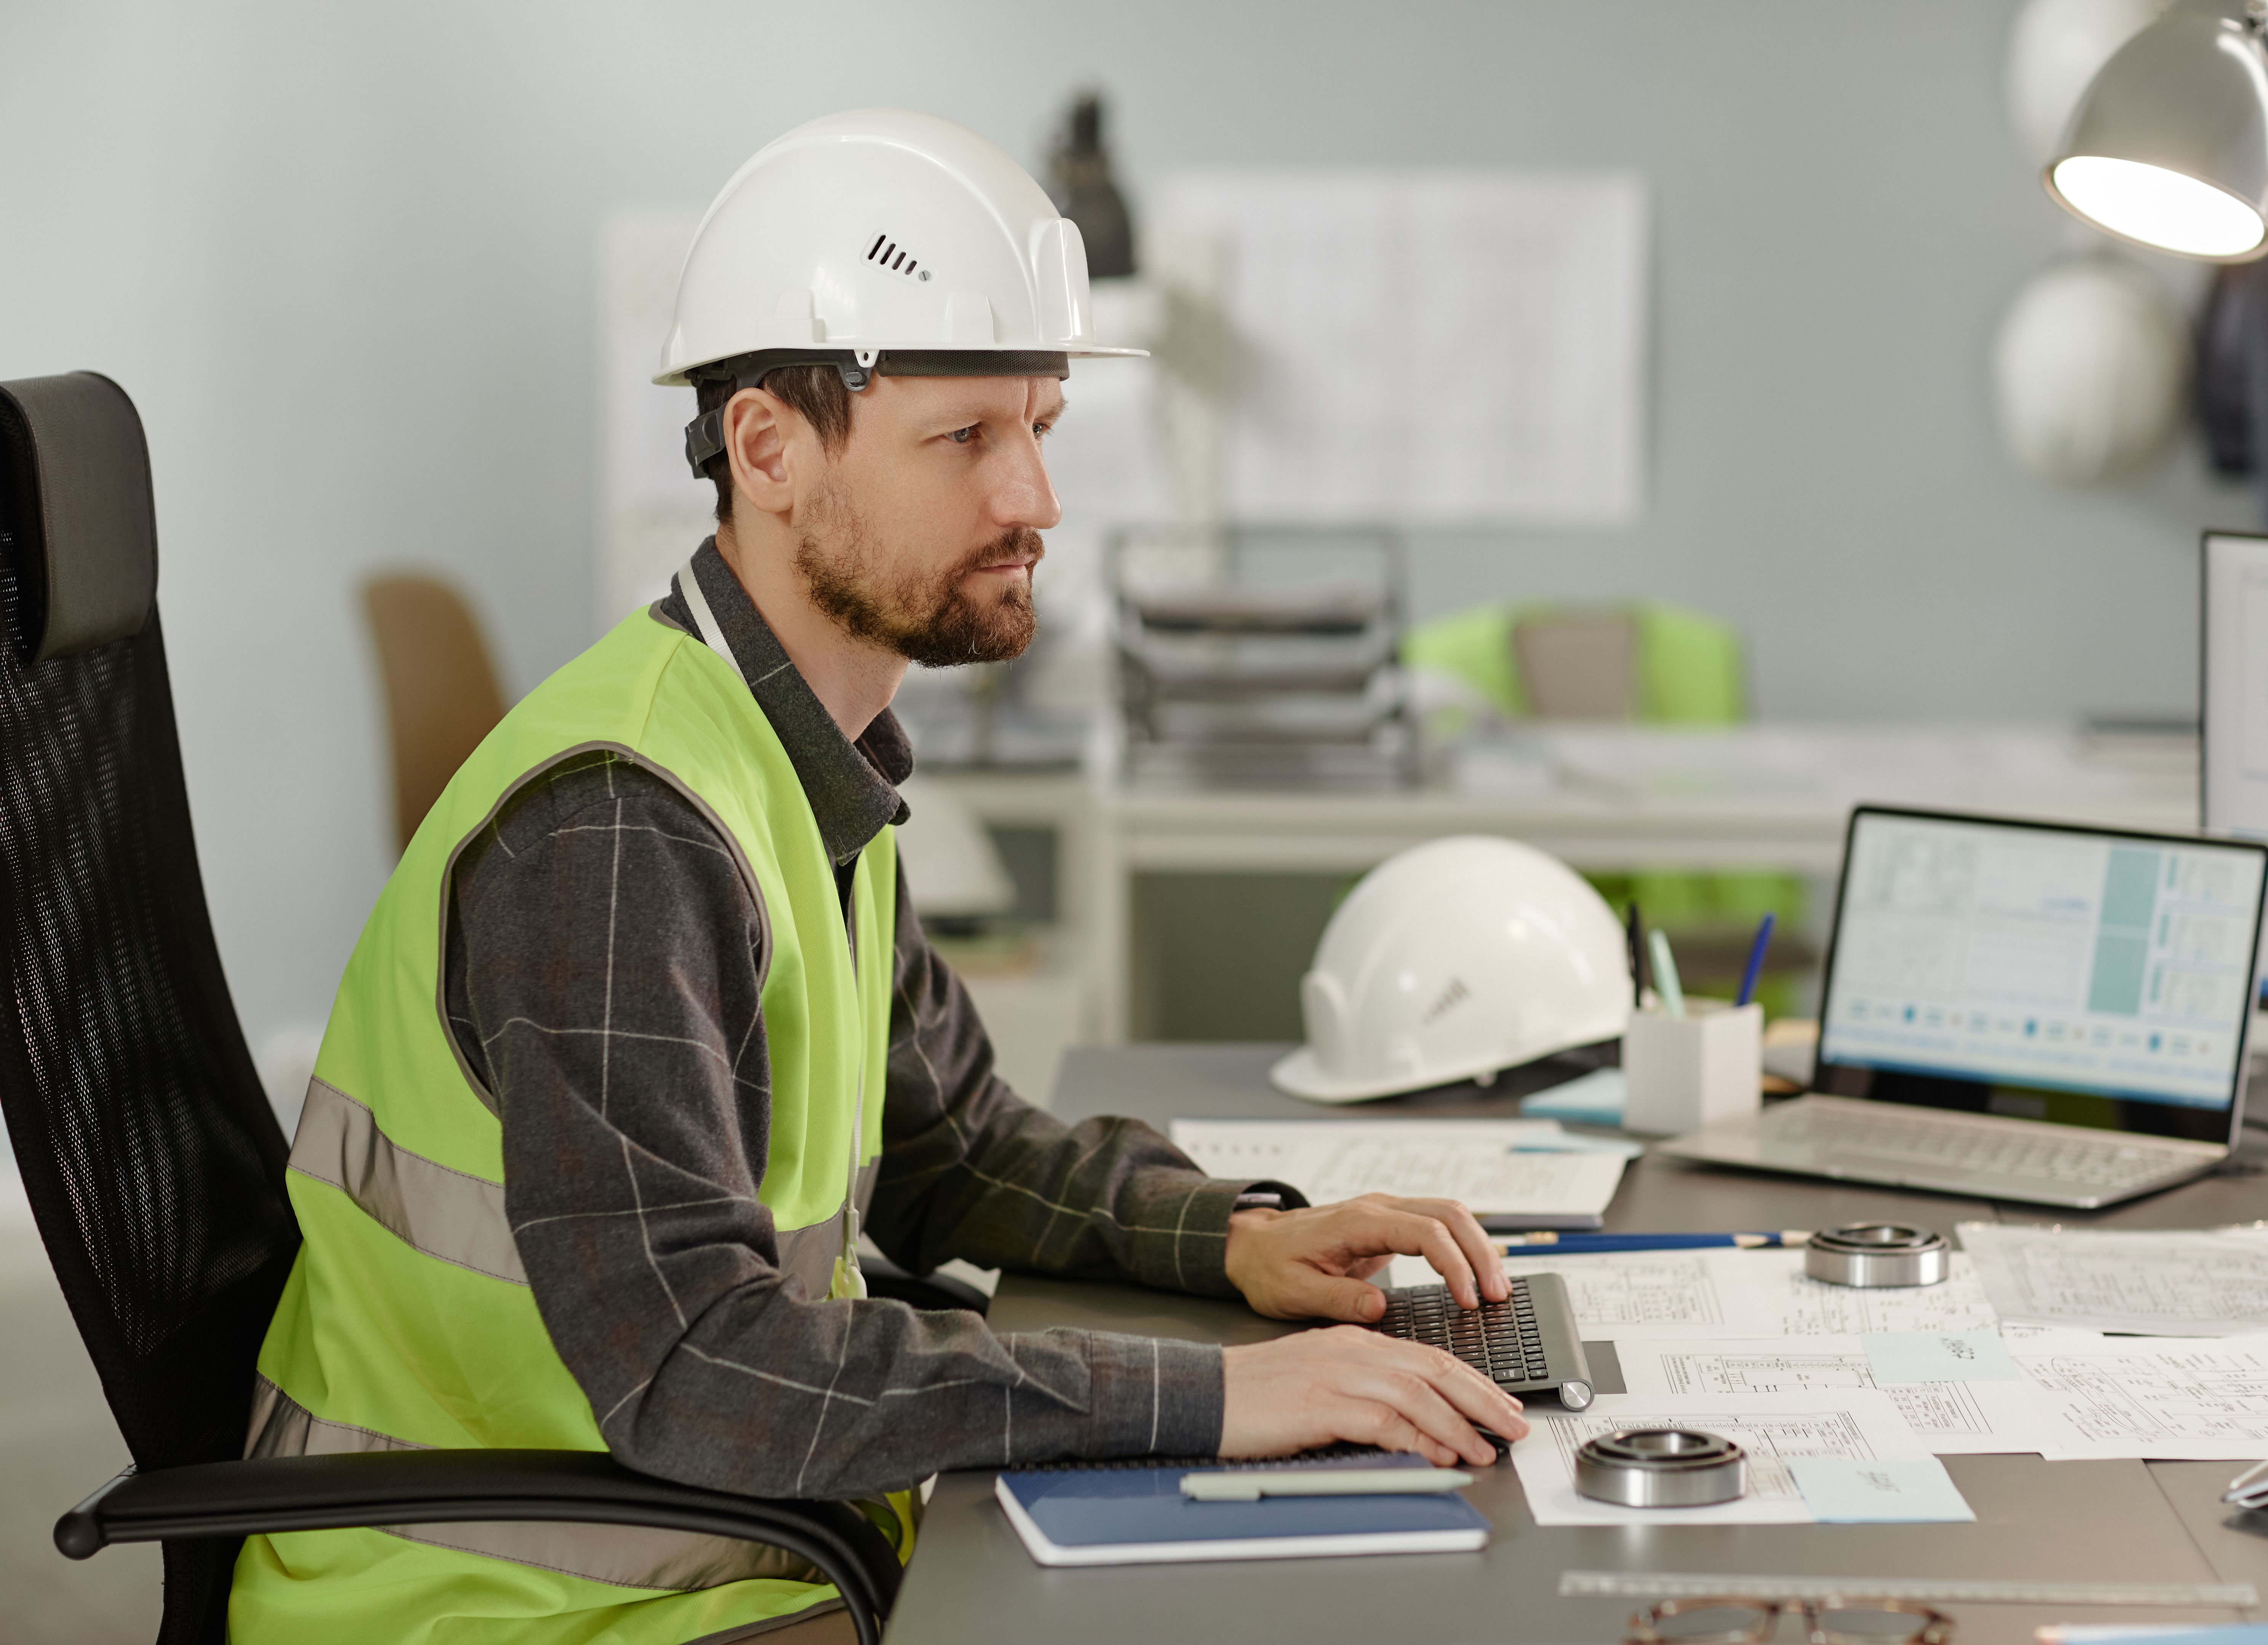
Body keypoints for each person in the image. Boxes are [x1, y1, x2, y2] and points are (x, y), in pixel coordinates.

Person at [229, 109, 1527, 1645]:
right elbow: (695, 1372)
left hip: (729, 1548)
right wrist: (1218, 1397)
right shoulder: (621, 828)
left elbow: (951, 1146)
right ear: (767, 450)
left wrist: (1234, 1239)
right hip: (507, 1608)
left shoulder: (793, 754)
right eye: (965, 437)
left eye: (1041, 426)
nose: (1036, 499)